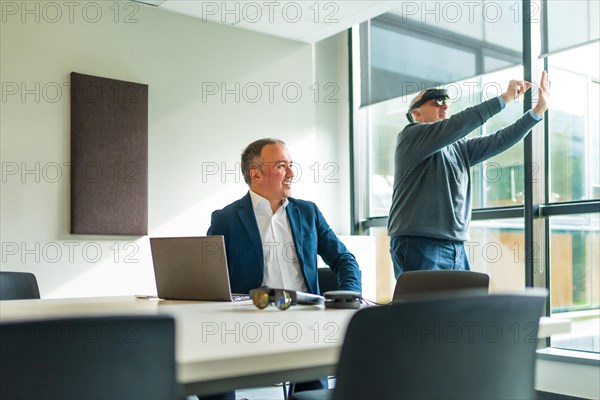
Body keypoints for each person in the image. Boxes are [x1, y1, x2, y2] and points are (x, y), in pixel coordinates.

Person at [203, 138, 361, 399]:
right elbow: (210, 281)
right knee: (209, 379)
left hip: (306, 323)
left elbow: (344, 259)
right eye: (281, 166)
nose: (291, 173)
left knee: (311, 394)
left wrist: (348, 297)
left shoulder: (308, 212)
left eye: (291, 165)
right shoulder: (226, 219)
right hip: (248, 322)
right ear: (256, 173)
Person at [388, 71, 551, 278]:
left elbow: (499, 140)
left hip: (455, 246)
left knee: (459, 310)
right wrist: (505, 98)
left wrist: (537, 111)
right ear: (417, 114)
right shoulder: (410, 136)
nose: (444, 106)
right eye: (436, 101)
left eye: (446, 101)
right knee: (424, 310)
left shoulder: (459, 148)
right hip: (418, 244)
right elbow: (461, 123)